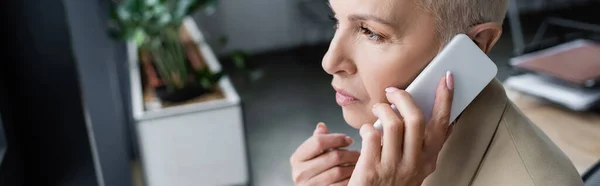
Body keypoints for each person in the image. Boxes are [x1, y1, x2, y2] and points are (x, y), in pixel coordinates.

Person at [289, 0, 585, 185]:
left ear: (476, 45)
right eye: (336, 21)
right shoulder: (380, 154)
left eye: (371, 32)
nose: (330, 61)